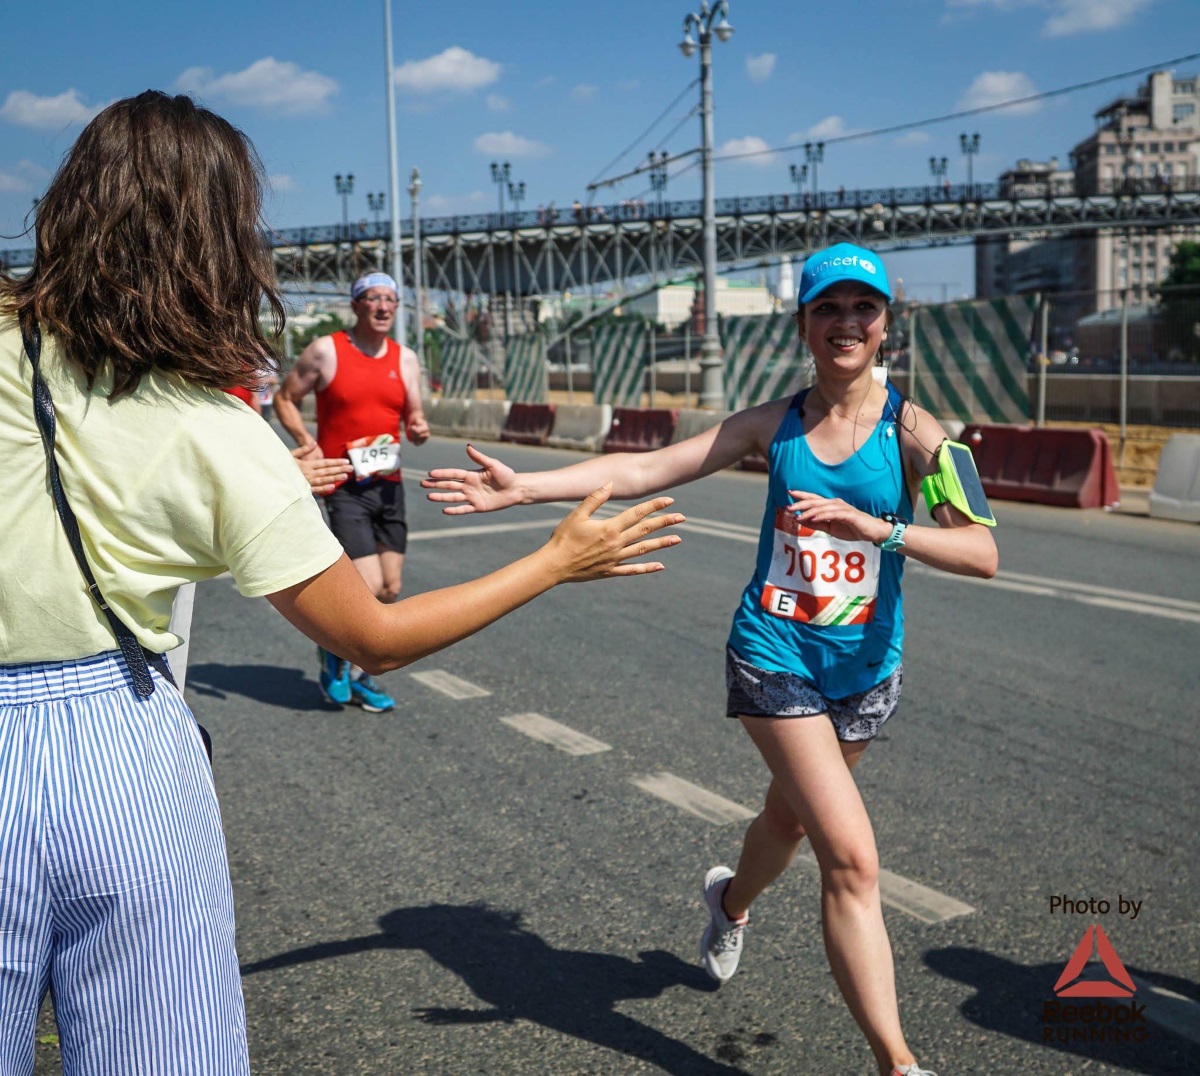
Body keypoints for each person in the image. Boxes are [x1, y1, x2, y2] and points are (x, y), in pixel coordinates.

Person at [0, 90, 683, 1076]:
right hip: (120, 757)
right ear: (216, 243)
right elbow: (377, 633)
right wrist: (555, 557)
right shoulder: (216, 429)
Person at [424, 241, 999, 1076]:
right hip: (774, 655)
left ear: (885, 326)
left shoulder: (920, 435)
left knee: (789, 821)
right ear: (803, 324)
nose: (846, 323)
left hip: (867, 671)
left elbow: (982, 551)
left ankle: (728, 902)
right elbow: (651, 465)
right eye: (827, 309)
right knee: (852, 857)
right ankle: (897, 1063)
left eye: (861, 309)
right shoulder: (774, 424)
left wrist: (882, 530)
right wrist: (528, 488)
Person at [273, 271, 429, 713]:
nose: (383, 307)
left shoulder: (407, 359)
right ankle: (338, 655)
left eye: (390, 300)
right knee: (370, 584)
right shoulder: (327, 350)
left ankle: (355, 673)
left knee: (391, 589)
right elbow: (286, 397)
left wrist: (417, 428)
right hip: (343, 485)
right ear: (357, 305)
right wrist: (309, 442)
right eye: (373, 299)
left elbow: (414, 418)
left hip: (389, 488)